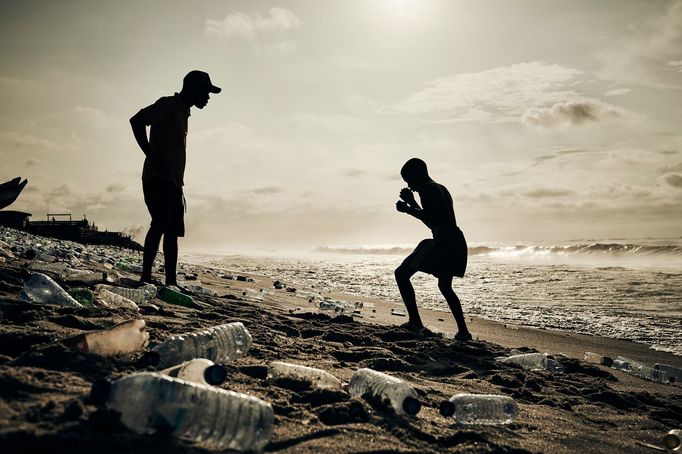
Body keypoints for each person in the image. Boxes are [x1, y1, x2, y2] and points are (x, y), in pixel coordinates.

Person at [130, 70, 221, 287]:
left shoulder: (183, 112)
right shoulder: (168, 104)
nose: (208, 98)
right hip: (158, 178)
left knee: (172, 231)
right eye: (206, 92)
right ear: (194, 89)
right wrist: (150, 154)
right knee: (160, 224)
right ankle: (146, 277)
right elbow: (137, 120)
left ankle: (170, 280)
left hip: (173, 182)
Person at [395, 158, 472, 341]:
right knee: (445, 286)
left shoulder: (426, 189)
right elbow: (434, 217)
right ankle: (463, 331)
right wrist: (412, 203)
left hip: (442, 242)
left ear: (417, 175)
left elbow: (430, 219)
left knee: (401, 274)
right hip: (456, 241)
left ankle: (415, 321)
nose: (410, 186)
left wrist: (408, 208)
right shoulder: (440, 188)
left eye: (409, 181)